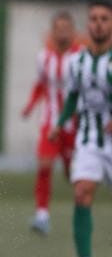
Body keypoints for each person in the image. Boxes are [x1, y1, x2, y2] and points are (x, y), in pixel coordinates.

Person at [49, 0, 112, 257]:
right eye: (94, 19)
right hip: (89, 140)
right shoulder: (78, 62)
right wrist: (59, 123)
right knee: (81, 191)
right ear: (87, 25)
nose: (98, 23)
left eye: (104, 19)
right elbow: (73, 96)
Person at [21, 12, 81, 235]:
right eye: (60, 28)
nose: (63, 32)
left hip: (75, 124)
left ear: (73, 31)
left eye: (67, 28)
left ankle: (81, 209)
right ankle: (42, 216)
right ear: (53, 32)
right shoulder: (43, 57)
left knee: (71, 173)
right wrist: (29, 106)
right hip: (50, 121)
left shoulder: (81, 57)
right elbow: (40, 86)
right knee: (44, 166)